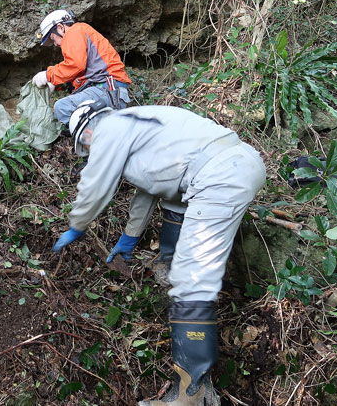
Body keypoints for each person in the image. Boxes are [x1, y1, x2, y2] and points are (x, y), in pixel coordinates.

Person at [52, 101, 266, 406]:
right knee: (176, 205)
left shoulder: (110, 127)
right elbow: (149, 188)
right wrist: (129, 237)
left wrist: (78, 225)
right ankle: (170, 264)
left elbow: (96, 184)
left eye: (85, 145)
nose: (90, 151)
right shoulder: (138, 127)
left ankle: (192, 395)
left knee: (192, 283)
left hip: (219, 177)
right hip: (235, 164)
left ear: (88, 130)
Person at [32, 9, 132, 126]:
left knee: (62, 107)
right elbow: (80, 75)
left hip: (108, 91)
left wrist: (48, 75)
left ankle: (92, 137)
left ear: (60, 28)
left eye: (53, 39)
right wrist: (57, 84)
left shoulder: (74, 31)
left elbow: (75, 65)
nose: (55, 44)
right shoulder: (82, 33)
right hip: (112, 93)